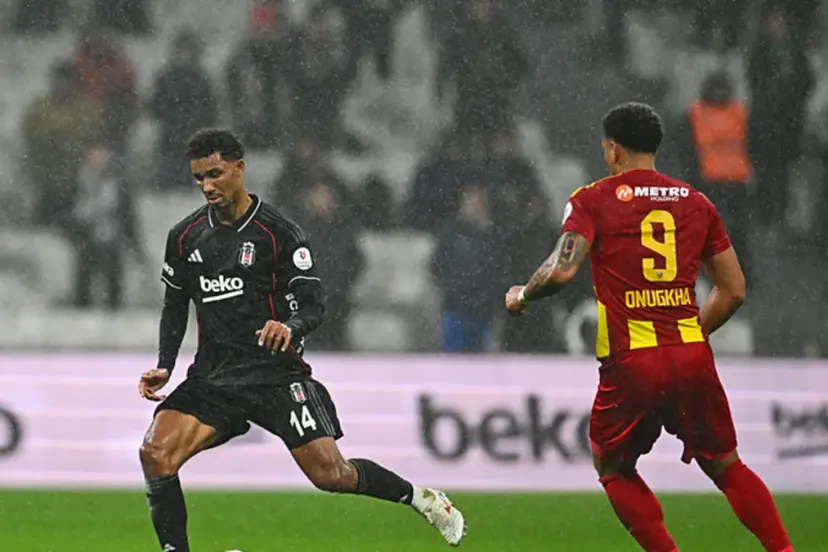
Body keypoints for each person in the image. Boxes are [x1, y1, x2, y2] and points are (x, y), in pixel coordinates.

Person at [137, 129, 466, 552]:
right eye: (199, 178)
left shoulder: (279, 233)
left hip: (275, 374)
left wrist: (290, 327)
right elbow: (174, 305)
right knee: (155, 453)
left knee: (332, 475)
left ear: (239, 168)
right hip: (214, 379)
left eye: (215, 174)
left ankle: (422, 499)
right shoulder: (185, 236)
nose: (207, 186)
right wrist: (165, 364)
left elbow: (314, 306)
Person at [504, 103, 792, 552]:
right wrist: (687, 335)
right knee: (726, 465)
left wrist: (522, 295)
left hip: (633, 362)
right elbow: (733, 290)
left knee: (613, 466)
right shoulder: (695, 201)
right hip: (691, 354)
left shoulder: (592, 199)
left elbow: (561, 271)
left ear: (613, 150)